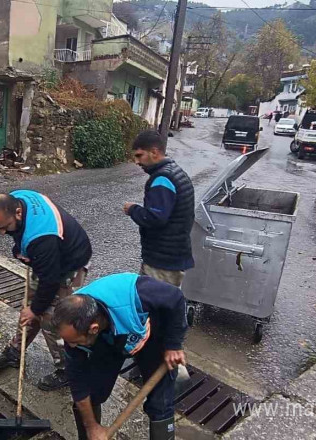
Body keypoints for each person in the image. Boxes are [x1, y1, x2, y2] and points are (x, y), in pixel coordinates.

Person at [53, 273, 188, 440]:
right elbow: (78, 384)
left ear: (93, 328)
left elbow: (176, 298)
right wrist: (92, 427)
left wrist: (173, 344)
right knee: (92, 391)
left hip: (151, 332)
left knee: (160, 402)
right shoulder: (72, 327)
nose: (71, 346)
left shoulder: (139, 293)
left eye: (74, 342)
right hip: (111, 339)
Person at [0, 190, 92, 391]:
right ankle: (16, 351)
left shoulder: (41, 238)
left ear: (18, 212)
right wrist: (19, 251)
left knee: (53, 318)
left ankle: (66, 369)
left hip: (69, 261)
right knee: (30, 307)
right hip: (48, 258)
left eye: (5, 227)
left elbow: (50, 281)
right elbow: (22, 238)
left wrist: (36, 309)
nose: (2, 233)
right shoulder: (19, 197)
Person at [122, 130, 195, 287]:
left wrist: (133, 209)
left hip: (162, 262)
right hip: (173, 256)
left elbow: (155, 218)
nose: (136, 161)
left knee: (154, 305)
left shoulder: (162, 179)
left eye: (139, 155)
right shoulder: (175, 171)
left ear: (154, 152)